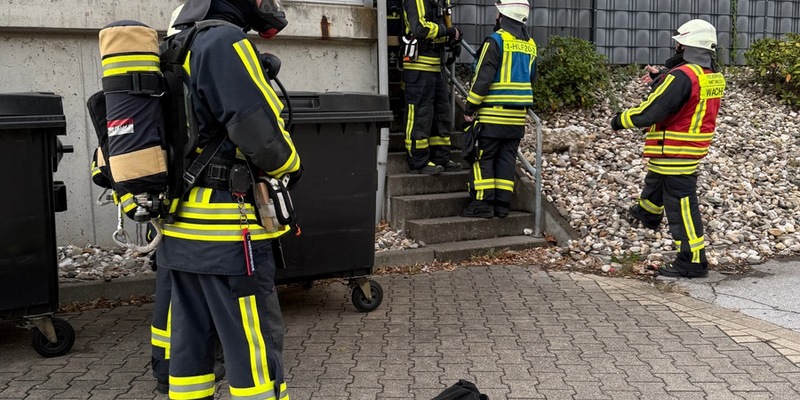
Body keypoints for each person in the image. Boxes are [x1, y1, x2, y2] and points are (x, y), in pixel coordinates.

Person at [156, 0, 301, 399]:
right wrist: (291, 164)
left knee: (189, 352)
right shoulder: (224, 41)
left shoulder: (175, 45)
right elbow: (259, 134)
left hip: (180, 234)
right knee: (253, 352)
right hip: (229, 235)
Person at [610, 19, 726, 278]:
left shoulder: (681, 77)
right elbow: (686, 97)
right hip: (688, 149)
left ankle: (693, 261)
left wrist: (619, 120)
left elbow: (653, 111)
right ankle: (647, 213)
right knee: (656, 181)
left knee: (682, 206)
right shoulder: (711, 75)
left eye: (680, 44)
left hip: (675, 150)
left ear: (688, 47)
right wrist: (659, 78)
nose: (676, 47)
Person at [461, 0, 536, 218]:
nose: (496, 17)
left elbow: (482, 78)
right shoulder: (530, 44)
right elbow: (532, 78)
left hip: (492, 115)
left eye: (498, 13)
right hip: (516, 118)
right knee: (506, 158)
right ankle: (502, 205)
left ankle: (482, 205)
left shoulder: (495, 41)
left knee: (482, 157)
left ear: (503, 15)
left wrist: (470, 107)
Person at [402, 0, 463, 175]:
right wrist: (447, 31)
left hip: (435, 67)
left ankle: (440, 157)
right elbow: (420, 28)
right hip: (418, 67)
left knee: (441, 112)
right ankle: (418, 160)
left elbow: (437, 29)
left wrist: (453, 36)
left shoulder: (437, 2)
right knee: (420, 113)